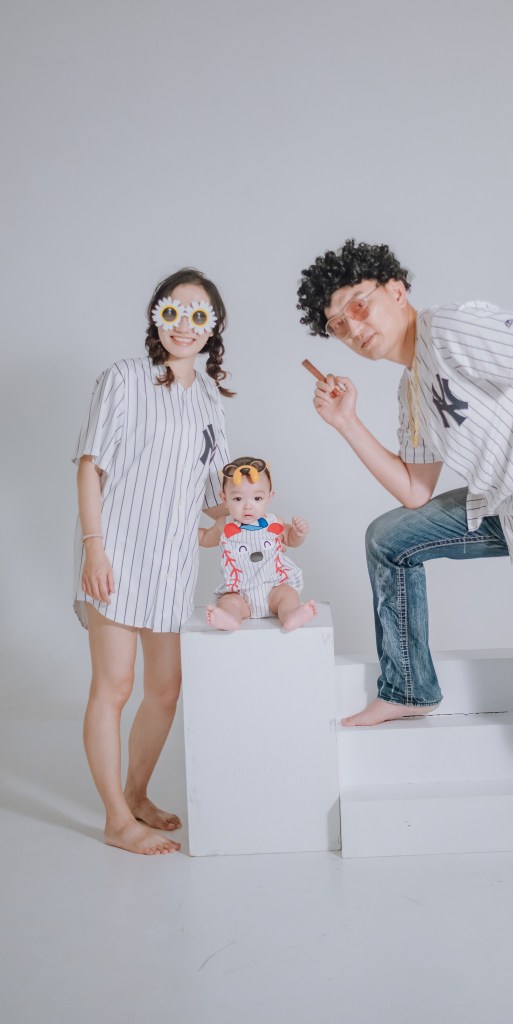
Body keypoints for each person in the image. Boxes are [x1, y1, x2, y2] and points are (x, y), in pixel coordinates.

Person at [297, 239, 513, 884]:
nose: (353, 328)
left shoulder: (451, 328)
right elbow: (414, 491)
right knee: (390, 538)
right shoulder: (412, 387)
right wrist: (346, 423)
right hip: (510, 507)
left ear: (396, 290)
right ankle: (409, 688)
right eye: (337, 325)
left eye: (359, 306)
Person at [74, 267, 232, 855]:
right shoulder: (123, 378)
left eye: (198, 316)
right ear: (156, 316)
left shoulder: (211, 400)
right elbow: (90, 464)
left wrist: (257, 510)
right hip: (115, 551)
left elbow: (212, 496)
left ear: (212, 328)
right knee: (114, 686)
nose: (184, 326)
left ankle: (136, 794)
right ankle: (116, 820)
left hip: (172, 560)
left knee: (166, 688)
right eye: (173, 311)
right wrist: (94, 546)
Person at [200, 457, 317, 632]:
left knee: (288, 594)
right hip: (240, 593)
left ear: (270, 497)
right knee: (228, 601)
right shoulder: (224, 526)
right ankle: (230, 618)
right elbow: (204, 537)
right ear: (224, 498)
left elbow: (291, 539)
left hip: (274, 588)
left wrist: (298, 533)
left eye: (257, 498)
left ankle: (291, 615)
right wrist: (184, 532)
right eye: (238, 499)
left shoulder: (274, 522)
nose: (248, 506)